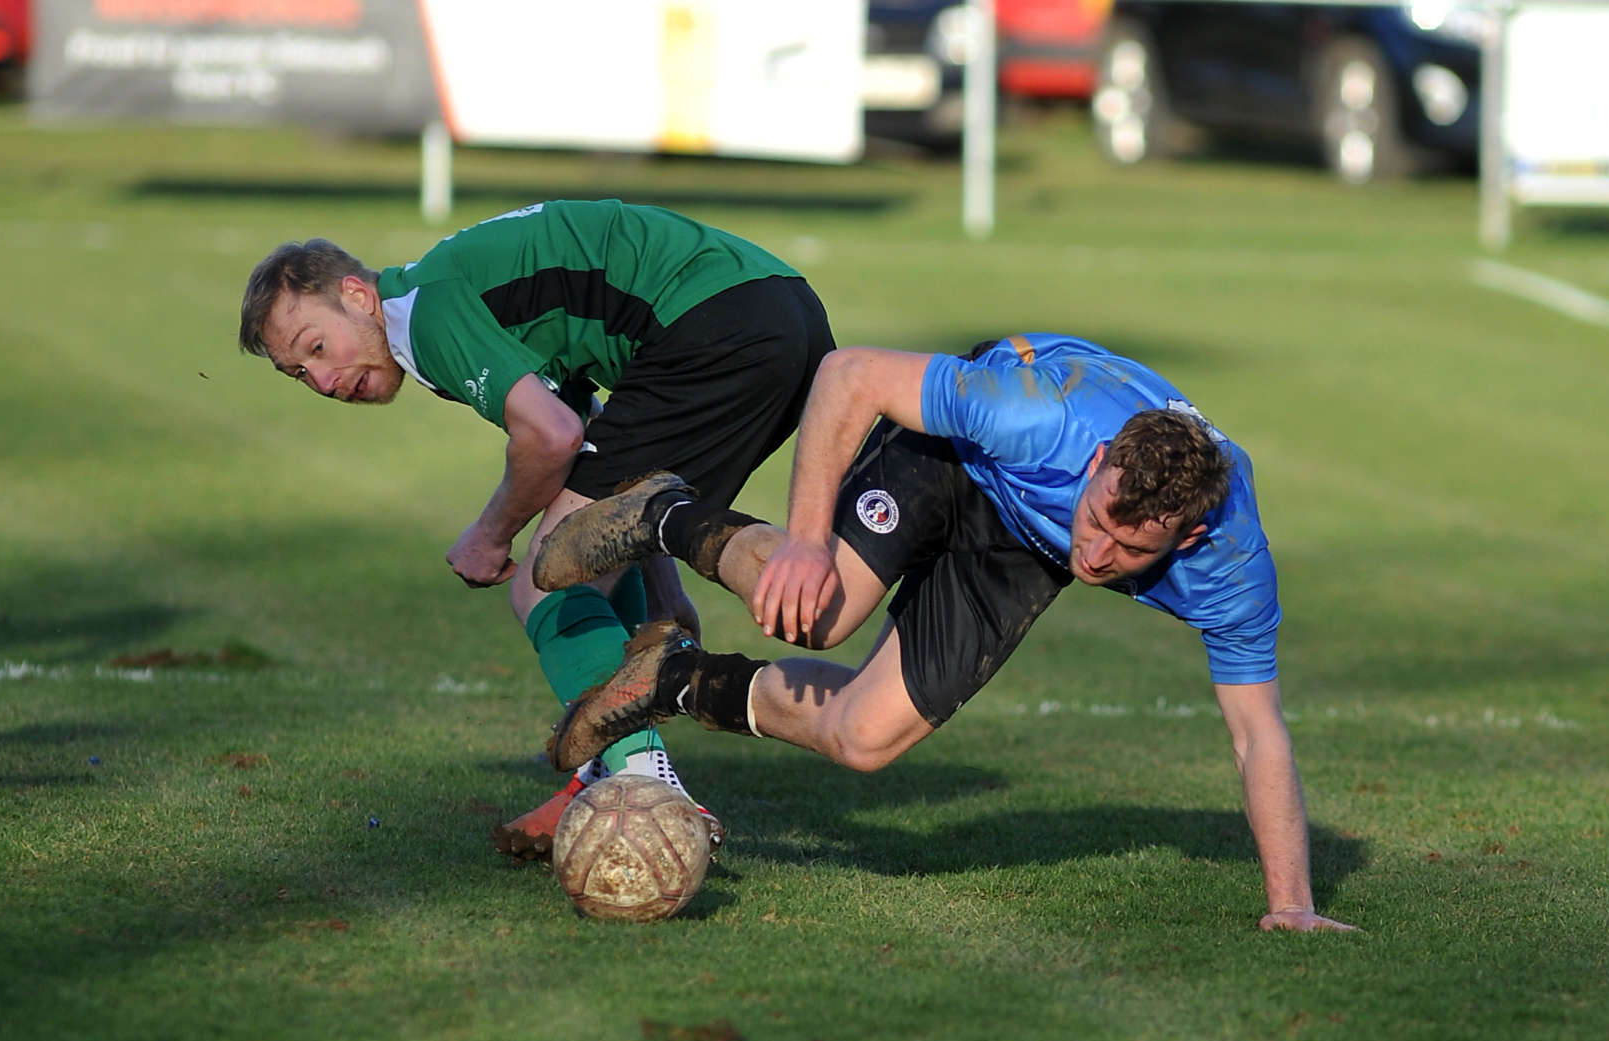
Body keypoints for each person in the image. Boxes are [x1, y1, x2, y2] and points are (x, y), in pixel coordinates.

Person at [533, 333, 1356, 932]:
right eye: (1100, 519)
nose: (1098, 554)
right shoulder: (1037, 417)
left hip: (1022, 545)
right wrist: (809, 541)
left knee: (864, 739)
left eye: (1132, 549)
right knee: (818, 609)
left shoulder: (1231, 565)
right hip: (950, 455)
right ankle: (662, 511)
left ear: (1189, 537)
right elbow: (847, 373)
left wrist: (1291, 906)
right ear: (1099, 458)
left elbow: (1258, 734)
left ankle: (669, 679)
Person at [237, 200, 834, 854]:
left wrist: (490, 535)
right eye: (299, 373)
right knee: (586, 559)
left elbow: (550, 436)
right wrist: (662, 589)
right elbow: (608, 467)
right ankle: (596, 778)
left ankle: (645, 788)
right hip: (784, 311)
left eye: (316, 347)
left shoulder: (425, 311)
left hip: (711, 324)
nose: (320, 379)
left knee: (544, 585)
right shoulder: (443, 297)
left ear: (357, 295)